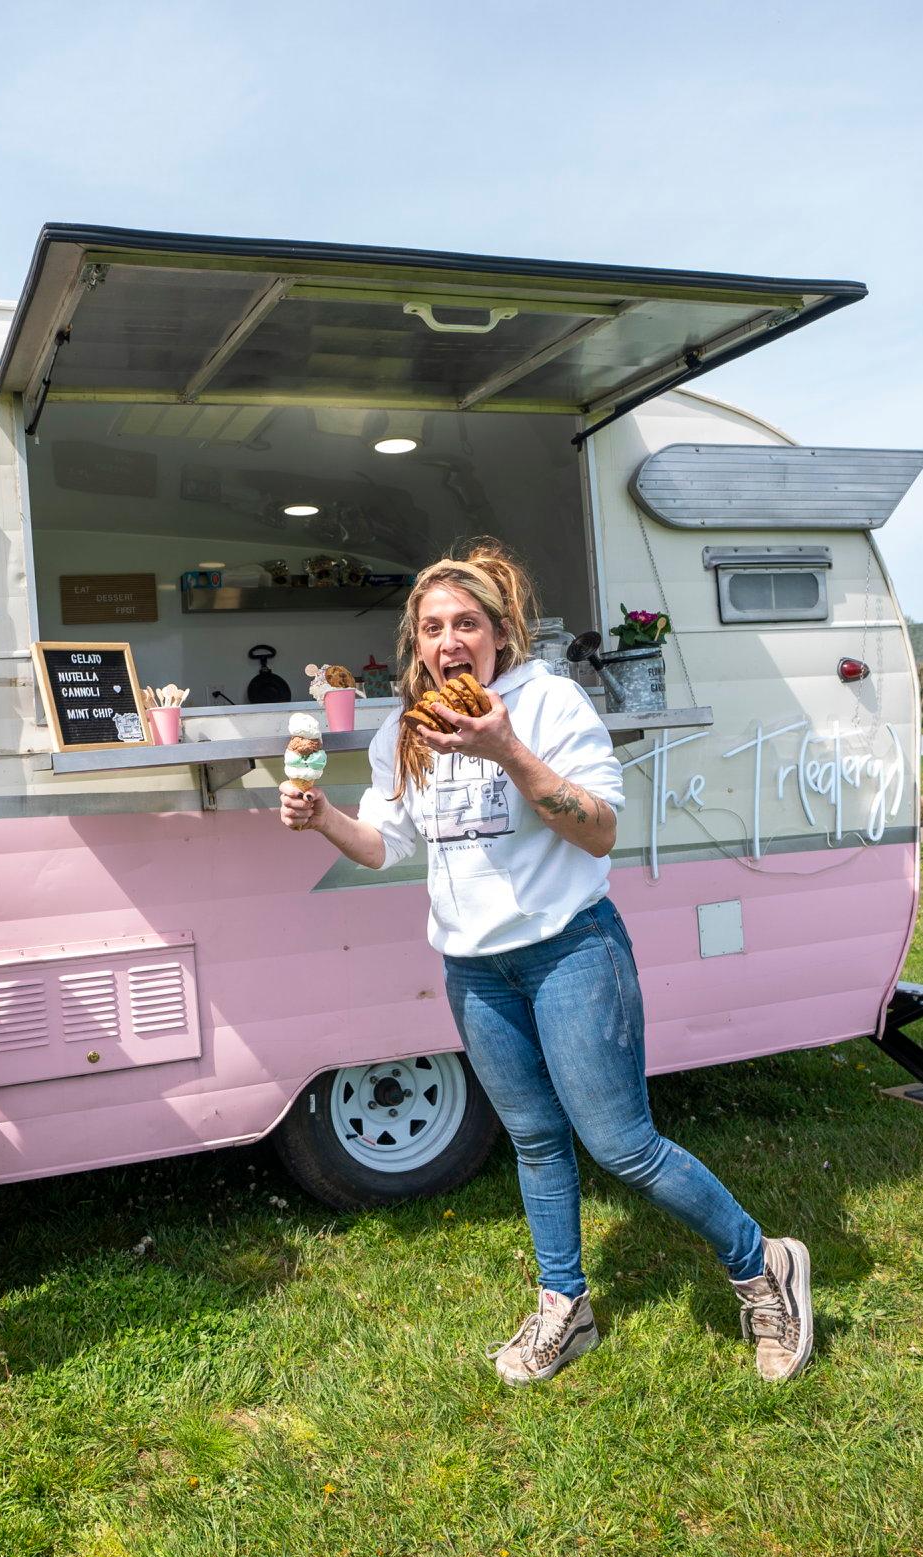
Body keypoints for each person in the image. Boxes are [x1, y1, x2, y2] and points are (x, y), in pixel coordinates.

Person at [280, 542, 814, 1385]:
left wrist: (505, 751)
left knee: (623, 1145)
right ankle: (565, 1308)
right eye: (432, 627)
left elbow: (599, 827)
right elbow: (387, 844)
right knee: (534, 1142)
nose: (449, 639)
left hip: (570, 949)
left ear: (499, 632)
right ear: (415, 642)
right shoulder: (405, 732)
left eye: (466, 623)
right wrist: (320, 820)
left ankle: (764, 1264)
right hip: (474, 968)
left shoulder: (548, 702)